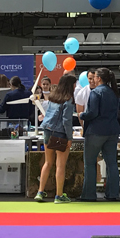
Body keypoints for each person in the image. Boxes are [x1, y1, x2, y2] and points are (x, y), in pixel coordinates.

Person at [80, 67, 120, 202]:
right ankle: (112, 193)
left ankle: (89, 195)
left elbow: (92, 113)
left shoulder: (95, 93)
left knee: (90, 163)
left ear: (99, 78)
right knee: (112, 163)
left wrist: (81, 115)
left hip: (96, 131)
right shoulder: (113, 92)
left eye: (95, 77)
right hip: (112, 130)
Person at [35, 74, 76, 203]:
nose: (75, 86)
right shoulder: (68, 100)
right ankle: (59, 195)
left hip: (47, 131)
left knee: (48, 162)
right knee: (60, 165)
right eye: (74, 84)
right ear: (70, 85)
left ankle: (40, 192)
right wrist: (70, 138)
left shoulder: (53, 97)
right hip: (60, 134)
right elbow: (67, 121)